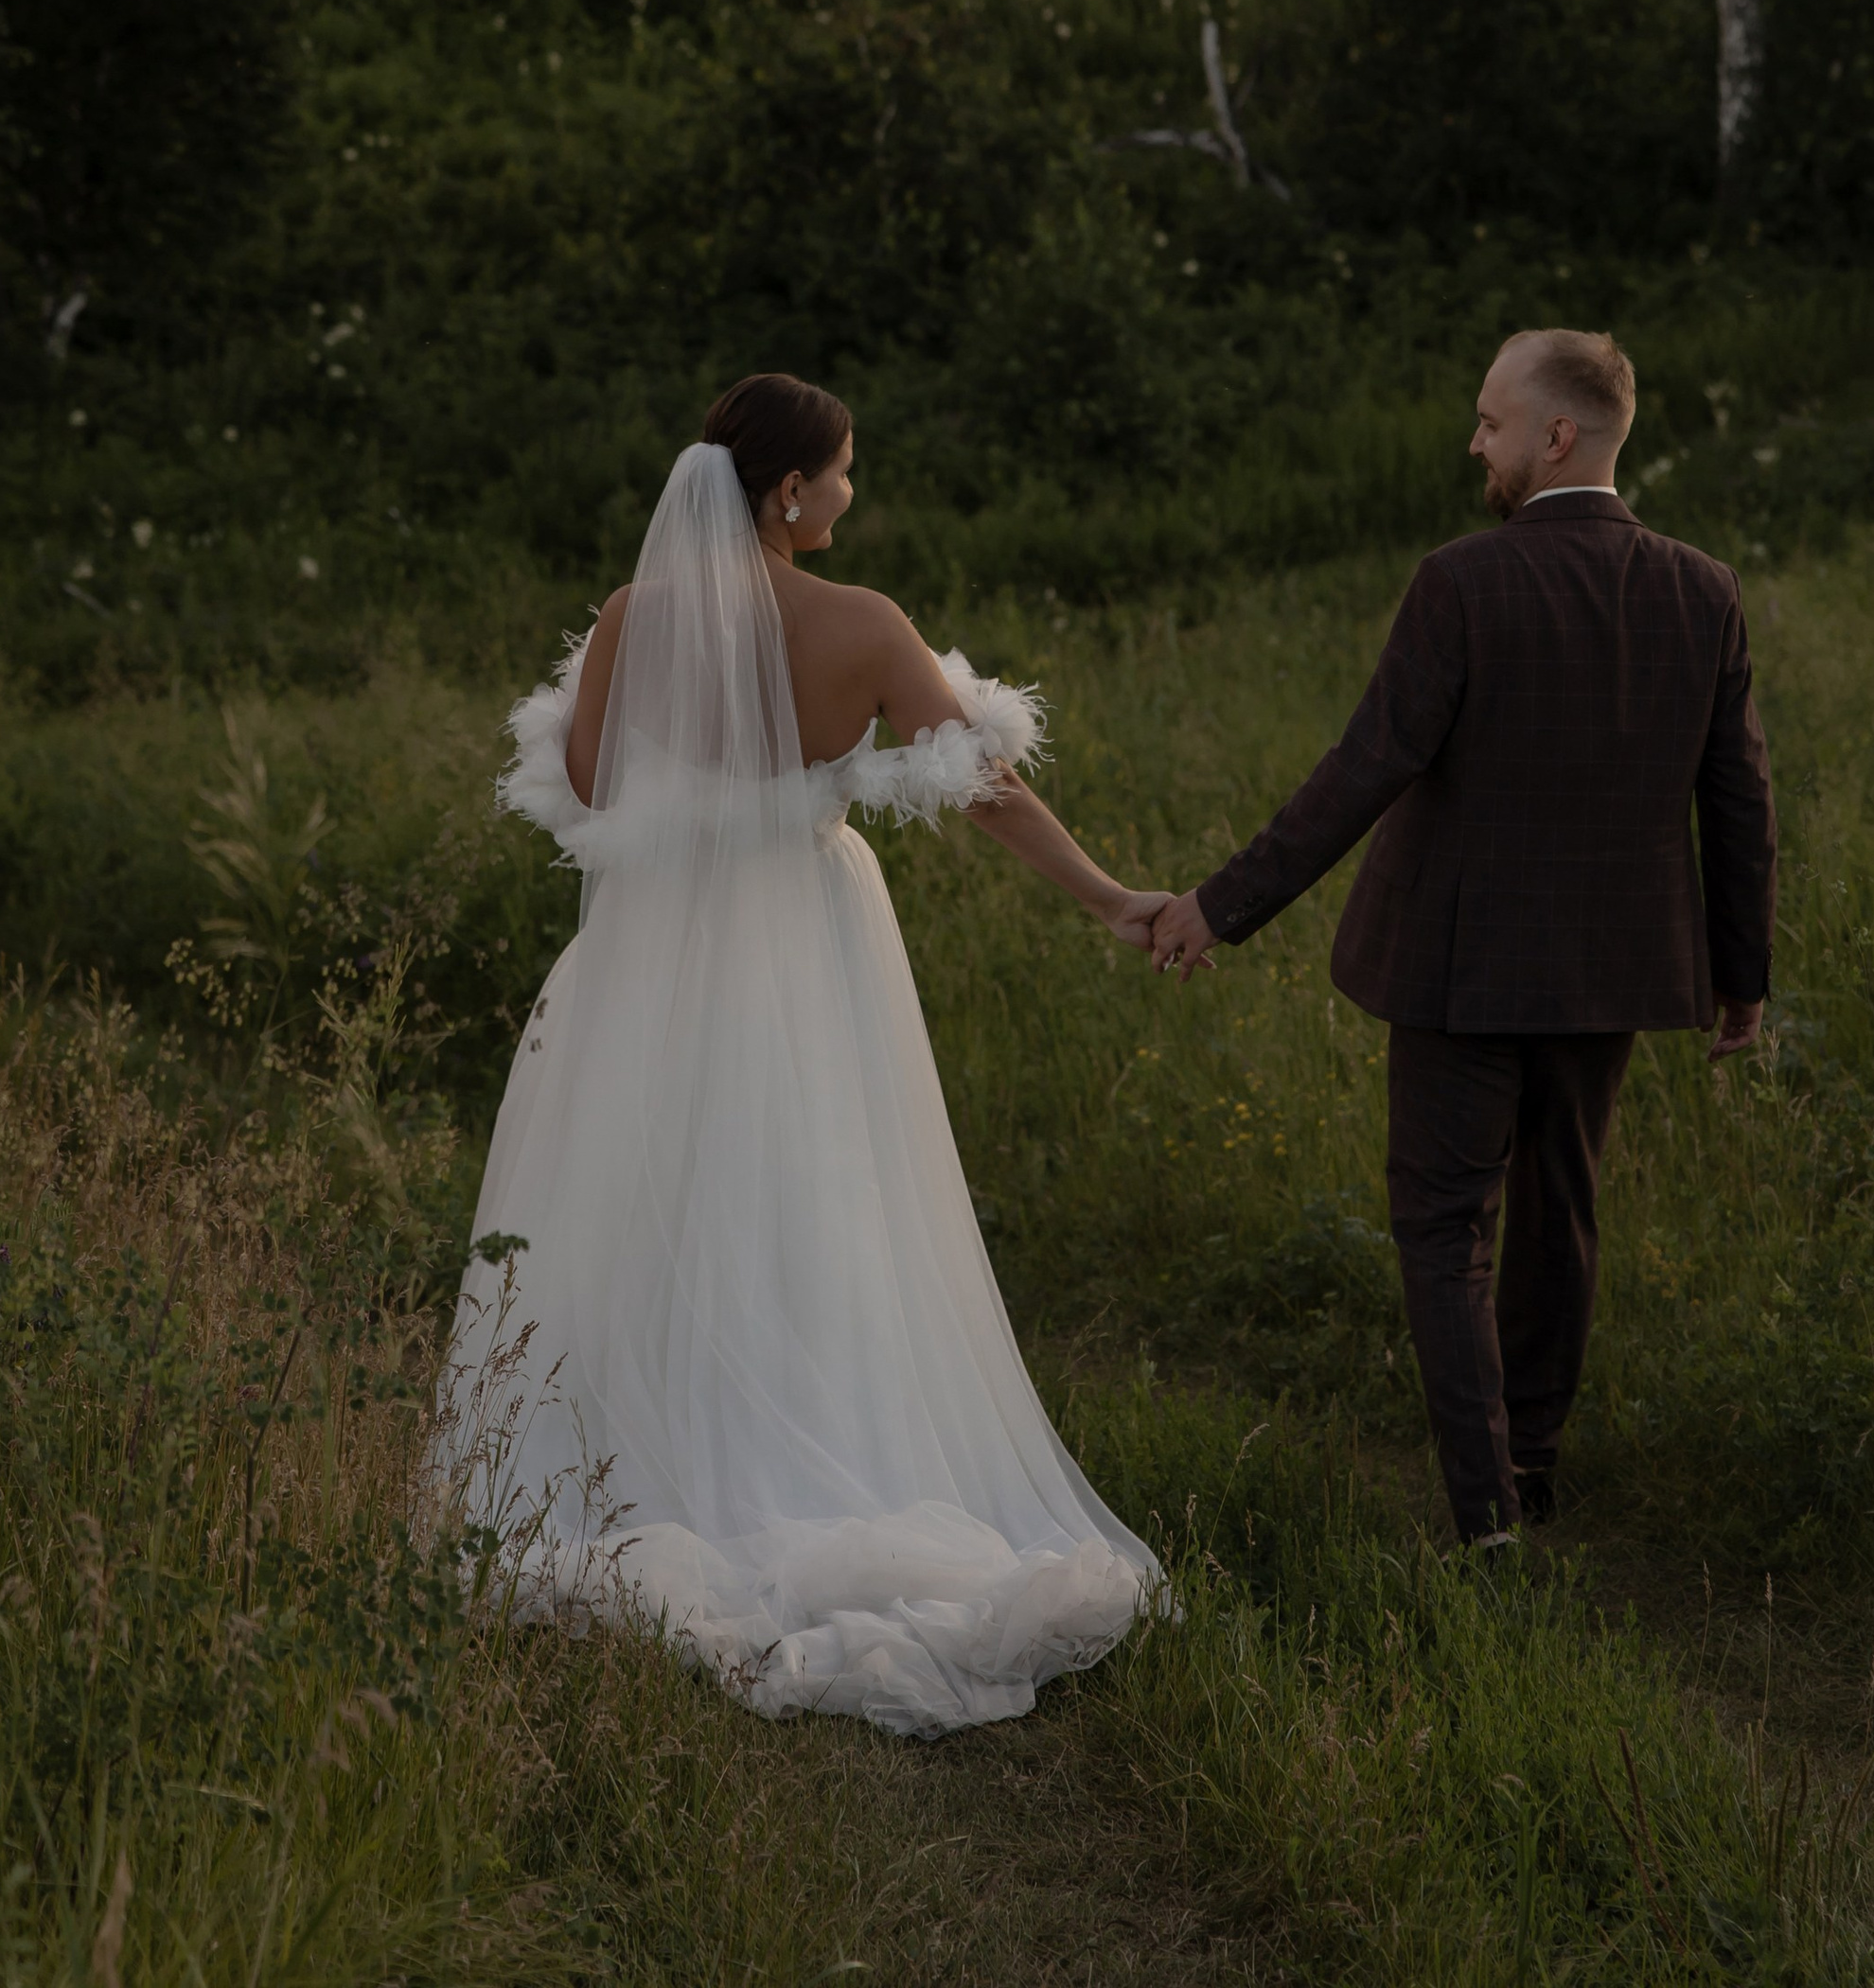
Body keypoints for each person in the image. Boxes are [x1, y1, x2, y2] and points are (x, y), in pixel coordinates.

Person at [433, 372, 1166, 1735]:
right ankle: (817, 1450)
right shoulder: (865, 626)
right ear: (787, 494)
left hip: (651, 951)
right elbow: (984, 789)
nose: (848, 492)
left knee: (644, 1194)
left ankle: (641, 1464)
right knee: (813, 1190)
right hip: (803, 938)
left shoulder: (628, 620)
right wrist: (1112, 895)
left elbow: (590, 792)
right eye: (839, 472)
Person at [1148, 329, 1777, 1546]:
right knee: (1561, 1211)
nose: (1472, 441)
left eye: (1490, 422)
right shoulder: (1702, 588)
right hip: (1611, 971)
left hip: (1460, 969)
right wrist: (1739, 977)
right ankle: (1525, 1475)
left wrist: (1218, 906)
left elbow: (1368, 764)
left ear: (1557, 435)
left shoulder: (1463, 580)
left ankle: (1485, 1515)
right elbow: (1739, 797)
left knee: (1445, 1228)